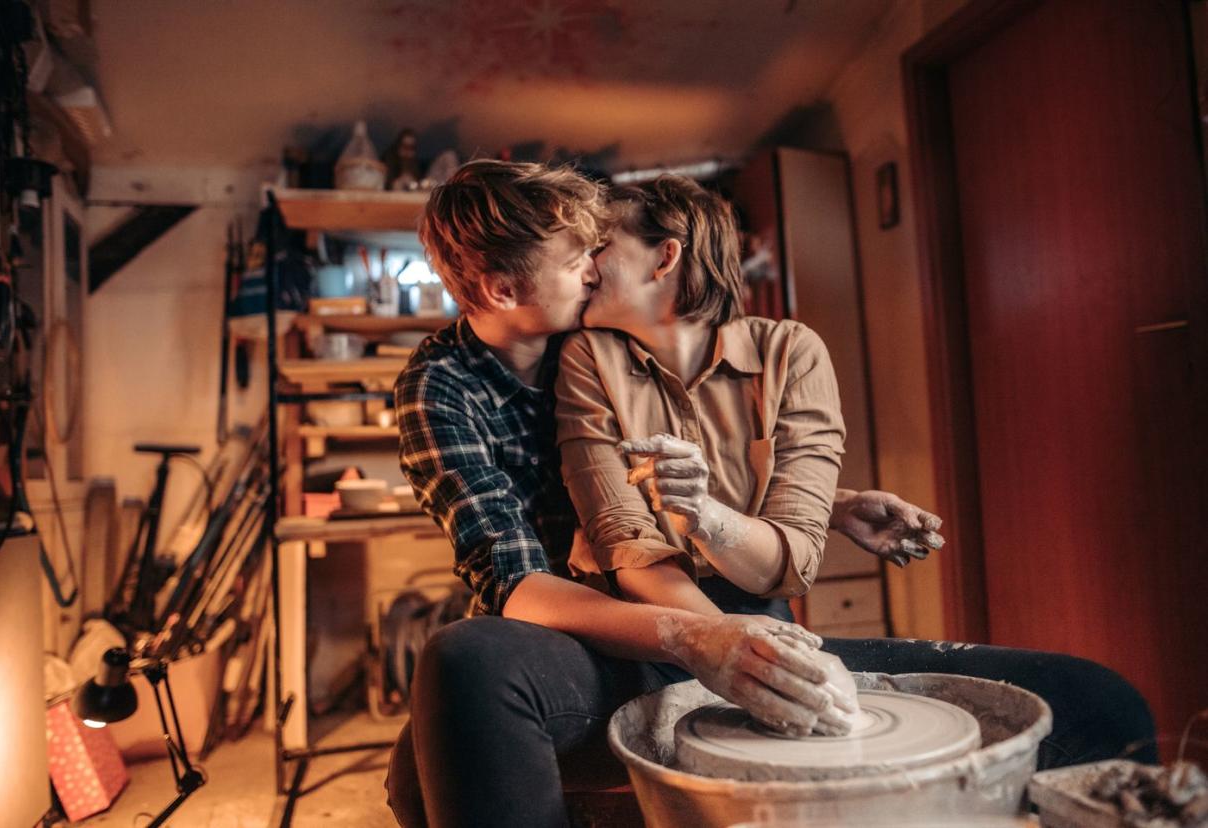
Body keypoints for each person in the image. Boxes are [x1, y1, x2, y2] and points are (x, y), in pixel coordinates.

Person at [386, 161, 1153, 828]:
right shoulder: (460, 384)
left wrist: (825, 502)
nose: (592, 268)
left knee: (1099, 701)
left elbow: (672, 481)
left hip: (723, 604)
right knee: (459, 672)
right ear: (502, 288)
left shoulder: (589, 338)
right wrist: (705, 639)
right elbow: (522, 580)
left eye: (599, 251)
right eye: (577, 257)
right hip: (589, 624)